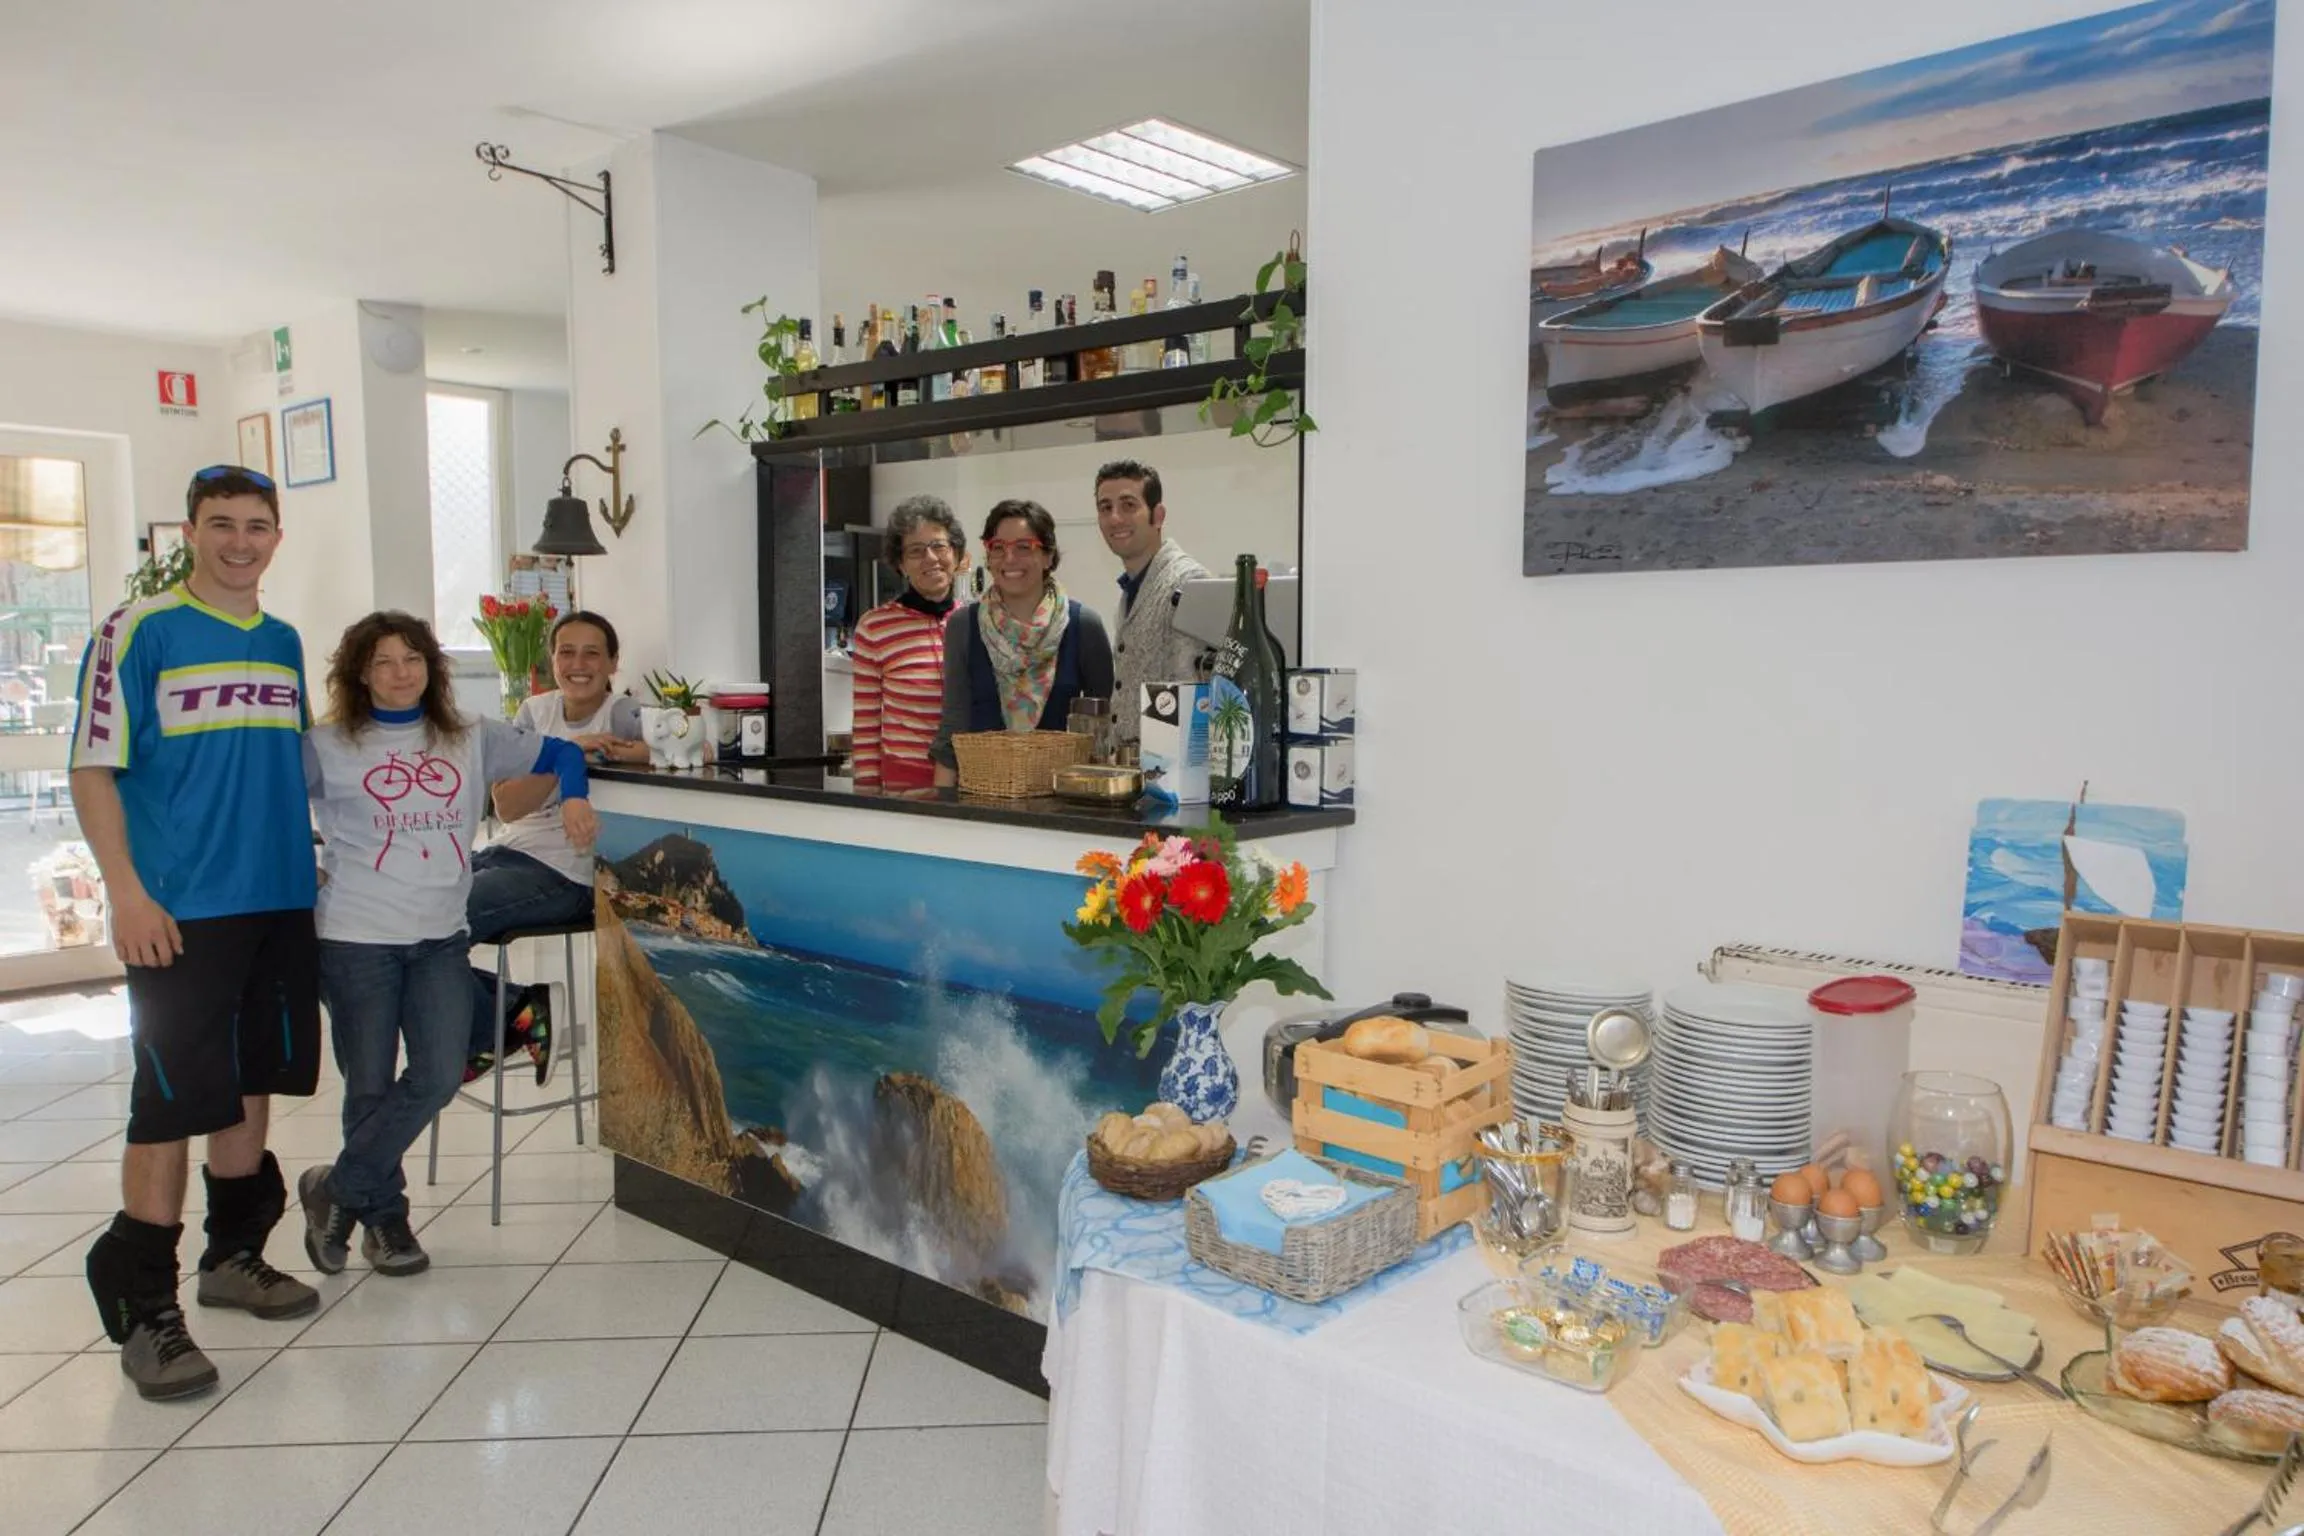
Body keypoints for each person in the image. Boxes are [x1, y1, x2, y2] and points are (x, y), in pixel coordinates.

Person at [72, 463, 322, 1401]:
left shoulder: (286, 641)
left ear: (276, 536)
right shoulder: (137, 631)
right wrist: (125, 893)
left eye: (257, 525)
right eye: (222, 524)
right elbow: (94, 770)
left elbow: (282, 768)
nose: (240, 541)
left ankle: (232, 1257)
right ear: (190, 530)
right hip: (179, 907)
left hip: (279, 899)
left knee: (253, 1079)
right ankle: (146, 1308)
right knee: (173, 1098)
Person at [295, 612, 596, 1278]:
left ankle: (334, 1188)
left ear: (432, 667)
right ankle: (387, 1221)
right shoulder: (325, 744)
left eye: (412, 659)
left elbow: (563, 753)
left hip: (439, 937)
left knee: (434, 1076)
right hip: (354, 938)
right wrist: (299, 860)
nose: (400, 674)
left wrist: (572, 799)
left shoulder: (468, 736)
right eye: (382, 662)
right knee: (368, 1086)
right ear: (357, 673)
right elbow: (267, 803)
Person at [461, 609, 647, 1083]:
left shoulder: (623, 715)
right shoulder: (535, 712)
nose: (578, 664)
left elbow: (686, 749)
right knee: (405, 917)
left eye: (592, 653)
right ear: (552, 659)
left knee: (434, 925)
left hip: (565, 874)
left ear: (612, 664)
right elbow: (507, 805)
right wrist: (568, 752)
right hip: (507, 851)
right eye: (567, 651)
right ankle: (513, 1012)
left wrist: (633, 751)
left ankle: (494, 1023)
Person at [929, 500, 1113, 787]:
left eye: (1024, 547)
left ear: (1048, 556)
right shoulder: (963, 625)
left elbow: (1104, 738)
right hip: (980, 800)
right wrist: (939, 812)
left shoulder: (1083, 625)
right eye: (998, 547)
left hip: (1065, 804)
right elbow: (953, 727)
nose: (1009, 558)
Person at [850, 496, 970, 791]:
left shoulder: (976, 621)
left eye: (939, 546)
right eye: (916, 551)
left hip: (971, 780)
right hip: (904, 785)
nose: (931, 558)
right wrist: (866, 793)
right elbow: (866, 723)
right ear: (900, 564)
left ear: (955, 555)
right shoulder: (875, 626)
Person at [1093, 460, 1207, 746]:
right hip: (1135, 772)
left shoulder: (1187, 581)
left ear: (1158, 515)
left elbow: (1188, 690)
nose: (1115, 518)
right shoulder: (1133, 586)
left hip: (1168, 775)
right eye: (1105, 508)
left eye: (1128, 505)